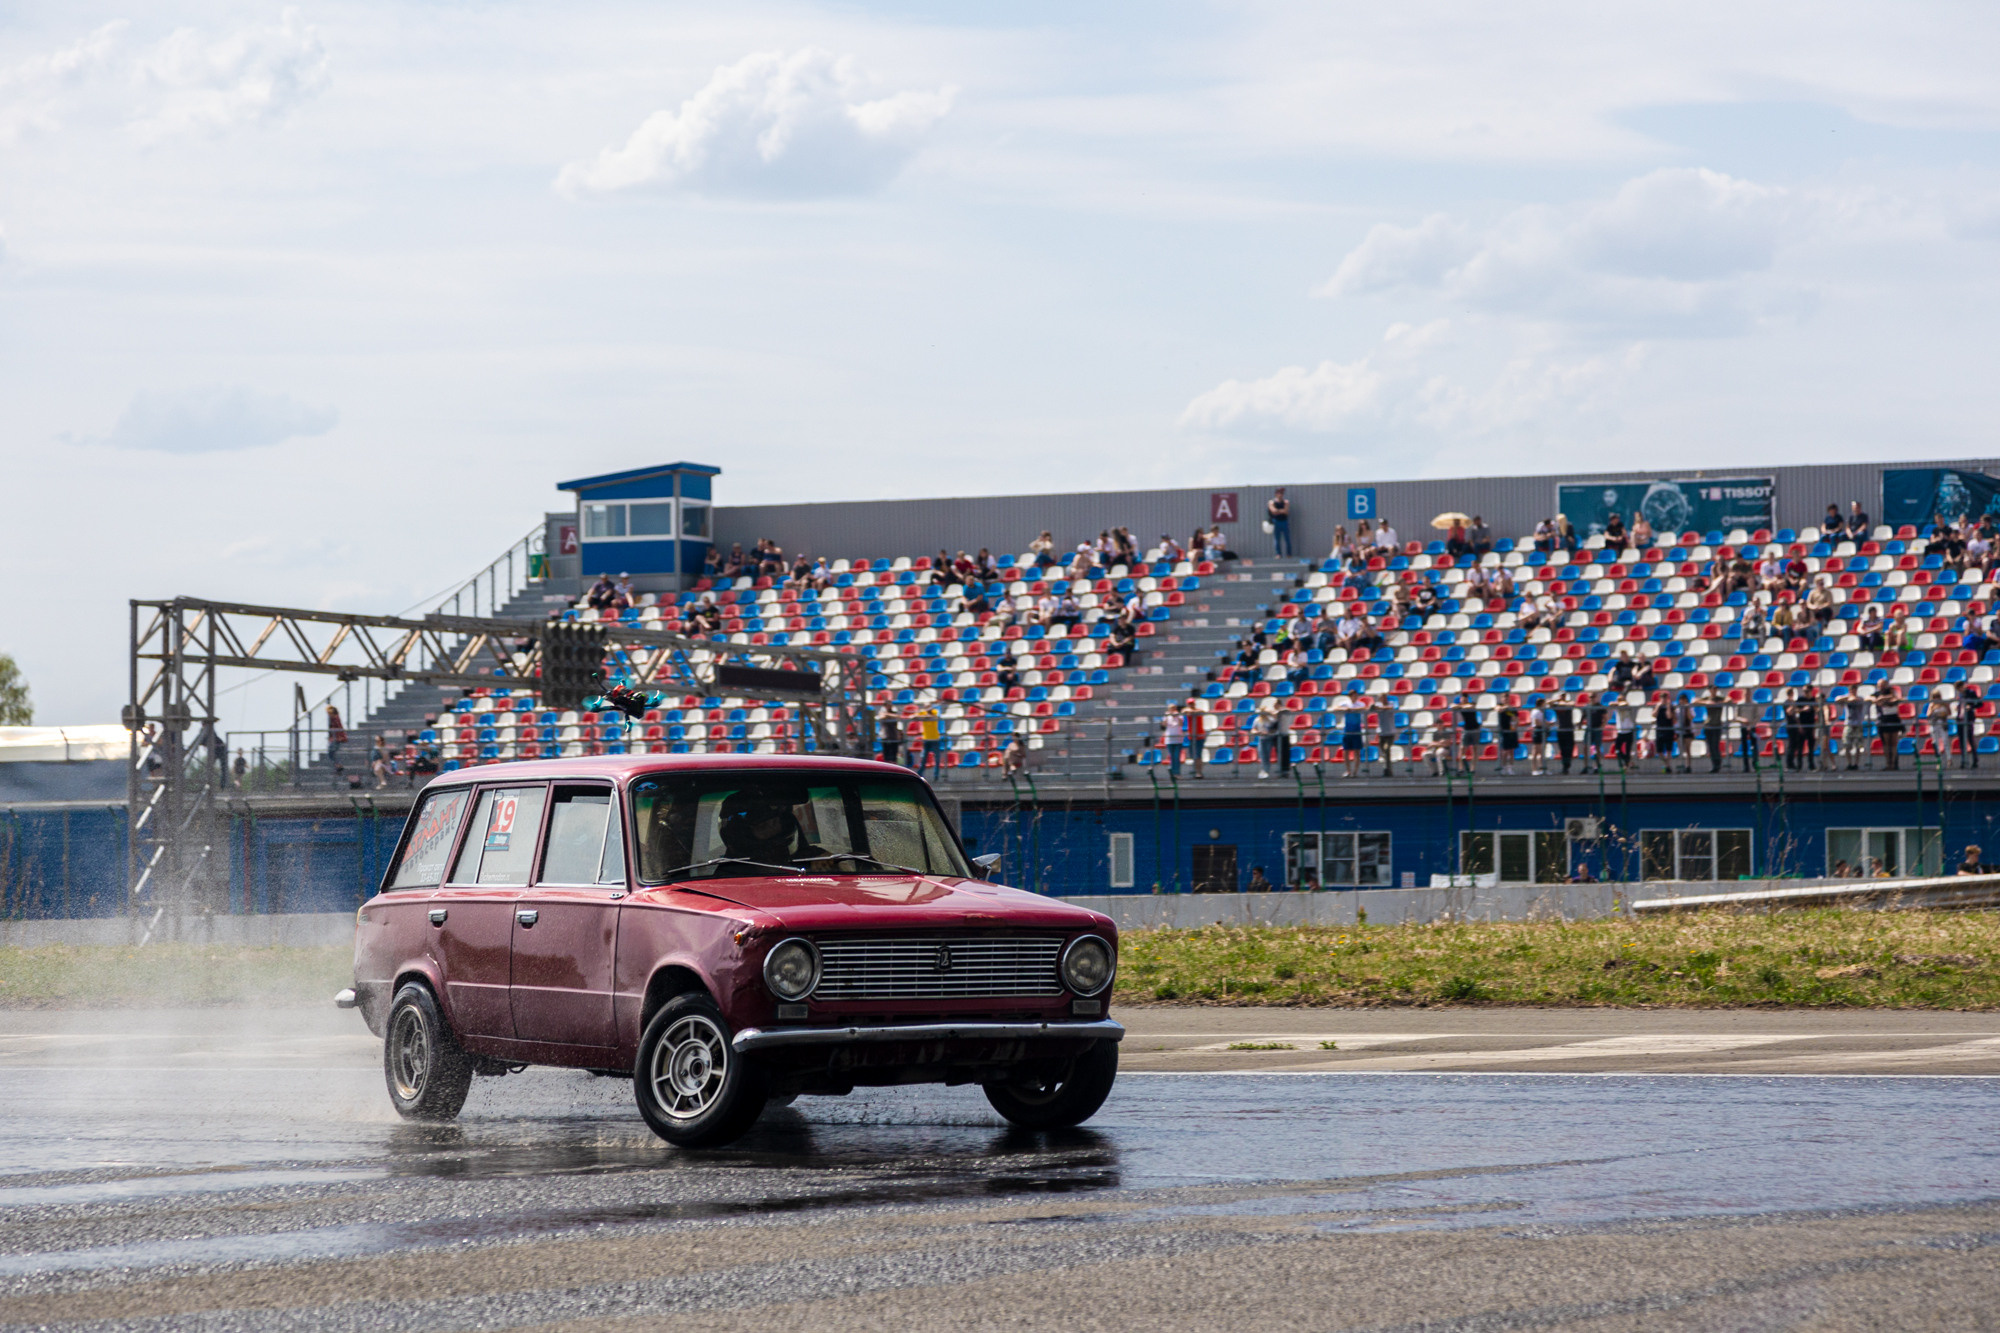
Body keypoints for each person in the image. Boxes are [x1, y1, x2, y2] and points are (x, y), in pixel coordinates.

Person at [1876, 685, 1905, 770]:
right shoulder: (1883, 698)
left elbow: (1899, 699)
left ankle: (1893, 763)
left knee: (1893, 743)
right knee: (1887, 743)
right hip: (1886, 720)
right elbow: (1878, 701)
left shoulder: (1894, 699)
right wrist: (1887, 697)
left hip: (1894, 719)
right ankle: (1888, 763)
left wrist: (1892, 697)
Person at [1699, 687, 1725, 773]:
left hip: (1716, 725)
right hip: (1709, 725)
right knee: (1710, 747)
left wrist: (1719, 703)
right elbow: (1694, 700)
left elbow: (1729, 699)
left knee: (1715, 746)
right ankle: (1714, 765)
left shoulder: (1719, 698)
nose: (1713, 691)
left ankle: (1717, 764)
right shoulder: (1707, 698)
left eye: (1715, 689)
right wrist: (1707, 702)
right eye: (1712, 689)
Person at [1340, 695, 1366, 777]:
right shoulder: (1346, 704)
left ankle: (1355, 771)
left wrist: (1353, 710)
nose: (1352, 697)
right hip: (1347, 731)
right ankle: (1348, 771)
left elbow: (1364, 708)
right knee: (1345, 751)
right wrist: (1345, 709)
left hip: (1356, 731)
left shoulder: (1360, 704)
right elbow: (1336, 707)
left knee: (1357, 752)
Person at [1958, 685, 1982, 769]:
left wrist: (1971, 707)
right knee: (1962, 742)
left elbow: (1979, 703)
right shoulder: (1961, 695)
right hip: (1960, 720)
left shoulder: (1971, 693)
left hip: (1968, 720)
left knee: (1970, 740)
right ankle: (1963, 761)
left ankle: (1975, 760)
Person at [1162, 703, 1187, 778]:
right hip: (1169, 739)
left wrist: (1177, 716)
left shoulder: (1179, 716)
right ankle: (1172, 773)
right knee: (1172, 757)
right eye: (1170, 709)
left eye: (1173, 708)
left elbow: (1181, 724)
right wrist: (1167, 716)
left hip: (1178, 739)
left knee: (1177, 756)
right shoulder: (1167, 716)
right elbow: (1164, 724)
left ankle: (1177, 772)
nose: (1172, 710)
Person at [1267, 487, 1292, 557]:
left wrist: (1278, 511)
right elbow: (1273, 511)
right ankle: (1278, 554)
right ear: (1276, 494)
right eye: (1279, 493)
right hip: (1276, 521)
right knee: (1277, 539)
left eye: (1281, 493)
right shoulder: (1271, 502)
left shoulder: (1286, 502)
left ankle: (1289, 554)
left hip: (1284, 521)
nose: (1280, 495)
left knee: (1287, 539)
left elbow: (1286, 511)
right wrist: (1282, 511)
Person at [1494, 701, 1517, 775]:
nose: (1506, 699)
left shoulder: (1511, 709)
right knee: (1504, 751)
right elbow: (1497, 709)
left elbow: (1516, 718)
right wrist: (1505, 707)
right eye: (1504, 697)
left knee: (1511, 751)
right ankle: (1503, 767)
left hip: (1511, 731)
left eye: (1507, 698)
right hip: (1504, 731)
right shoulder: (1500, 706)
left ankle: (1510, 768)